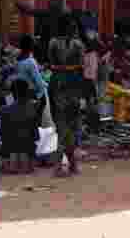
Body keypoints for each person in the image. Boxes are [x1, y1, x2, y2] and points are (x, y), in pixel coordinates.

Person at [47, 15, 86, 176]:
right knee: (69, 127)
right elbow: (81, 68)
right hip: (72, 89)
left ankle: (69, 165)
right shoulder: (77, 44)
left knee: (63, 127)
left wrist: (61, 69)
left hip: (58, 87)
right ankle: (64, 165)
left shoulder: (53, 43)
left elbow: (51, 64)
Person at [0, 79, 38, 174]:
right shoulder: (32, 108)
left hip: (11, 151)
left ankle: (13, 164)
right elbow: (35, 134)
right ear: (27, 92)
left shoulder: (5, 110)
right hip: (27, 152)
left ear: (12, 93)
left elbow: (3, 133)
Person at [15, 34, 53, 128]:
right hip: (33, 92)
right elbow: (39, 82)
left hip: (22, 91)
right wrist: (47, 84)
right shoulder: (30, 62)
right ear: (31, 46)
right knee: (38, 115)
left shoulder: (18, 59)